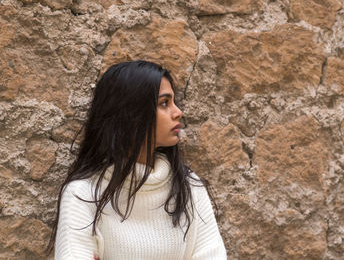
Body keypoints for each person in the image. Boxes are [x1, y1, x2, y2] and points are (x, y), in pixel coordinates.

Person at [47, 60, 227, 259]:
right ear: (131, 113)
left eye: (174, 102)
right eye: (164, 103)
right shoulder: (83, 195)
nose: (178, 112)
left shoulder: (189, 186)